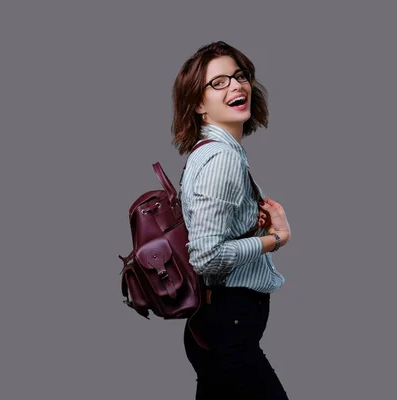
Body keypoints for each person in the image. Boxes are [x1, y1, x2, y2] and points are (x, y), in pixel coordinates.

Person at [171, 41, 292, 399]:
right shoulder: (223, 158)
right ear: (197, 103)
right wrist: (277, 238)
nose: (237, 86)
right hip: (229, 330)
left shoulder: (206, 152)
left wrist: (250, 223)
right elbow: (206, 256)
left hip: (219, 328)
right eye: (218, 82)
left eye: (240, 76)